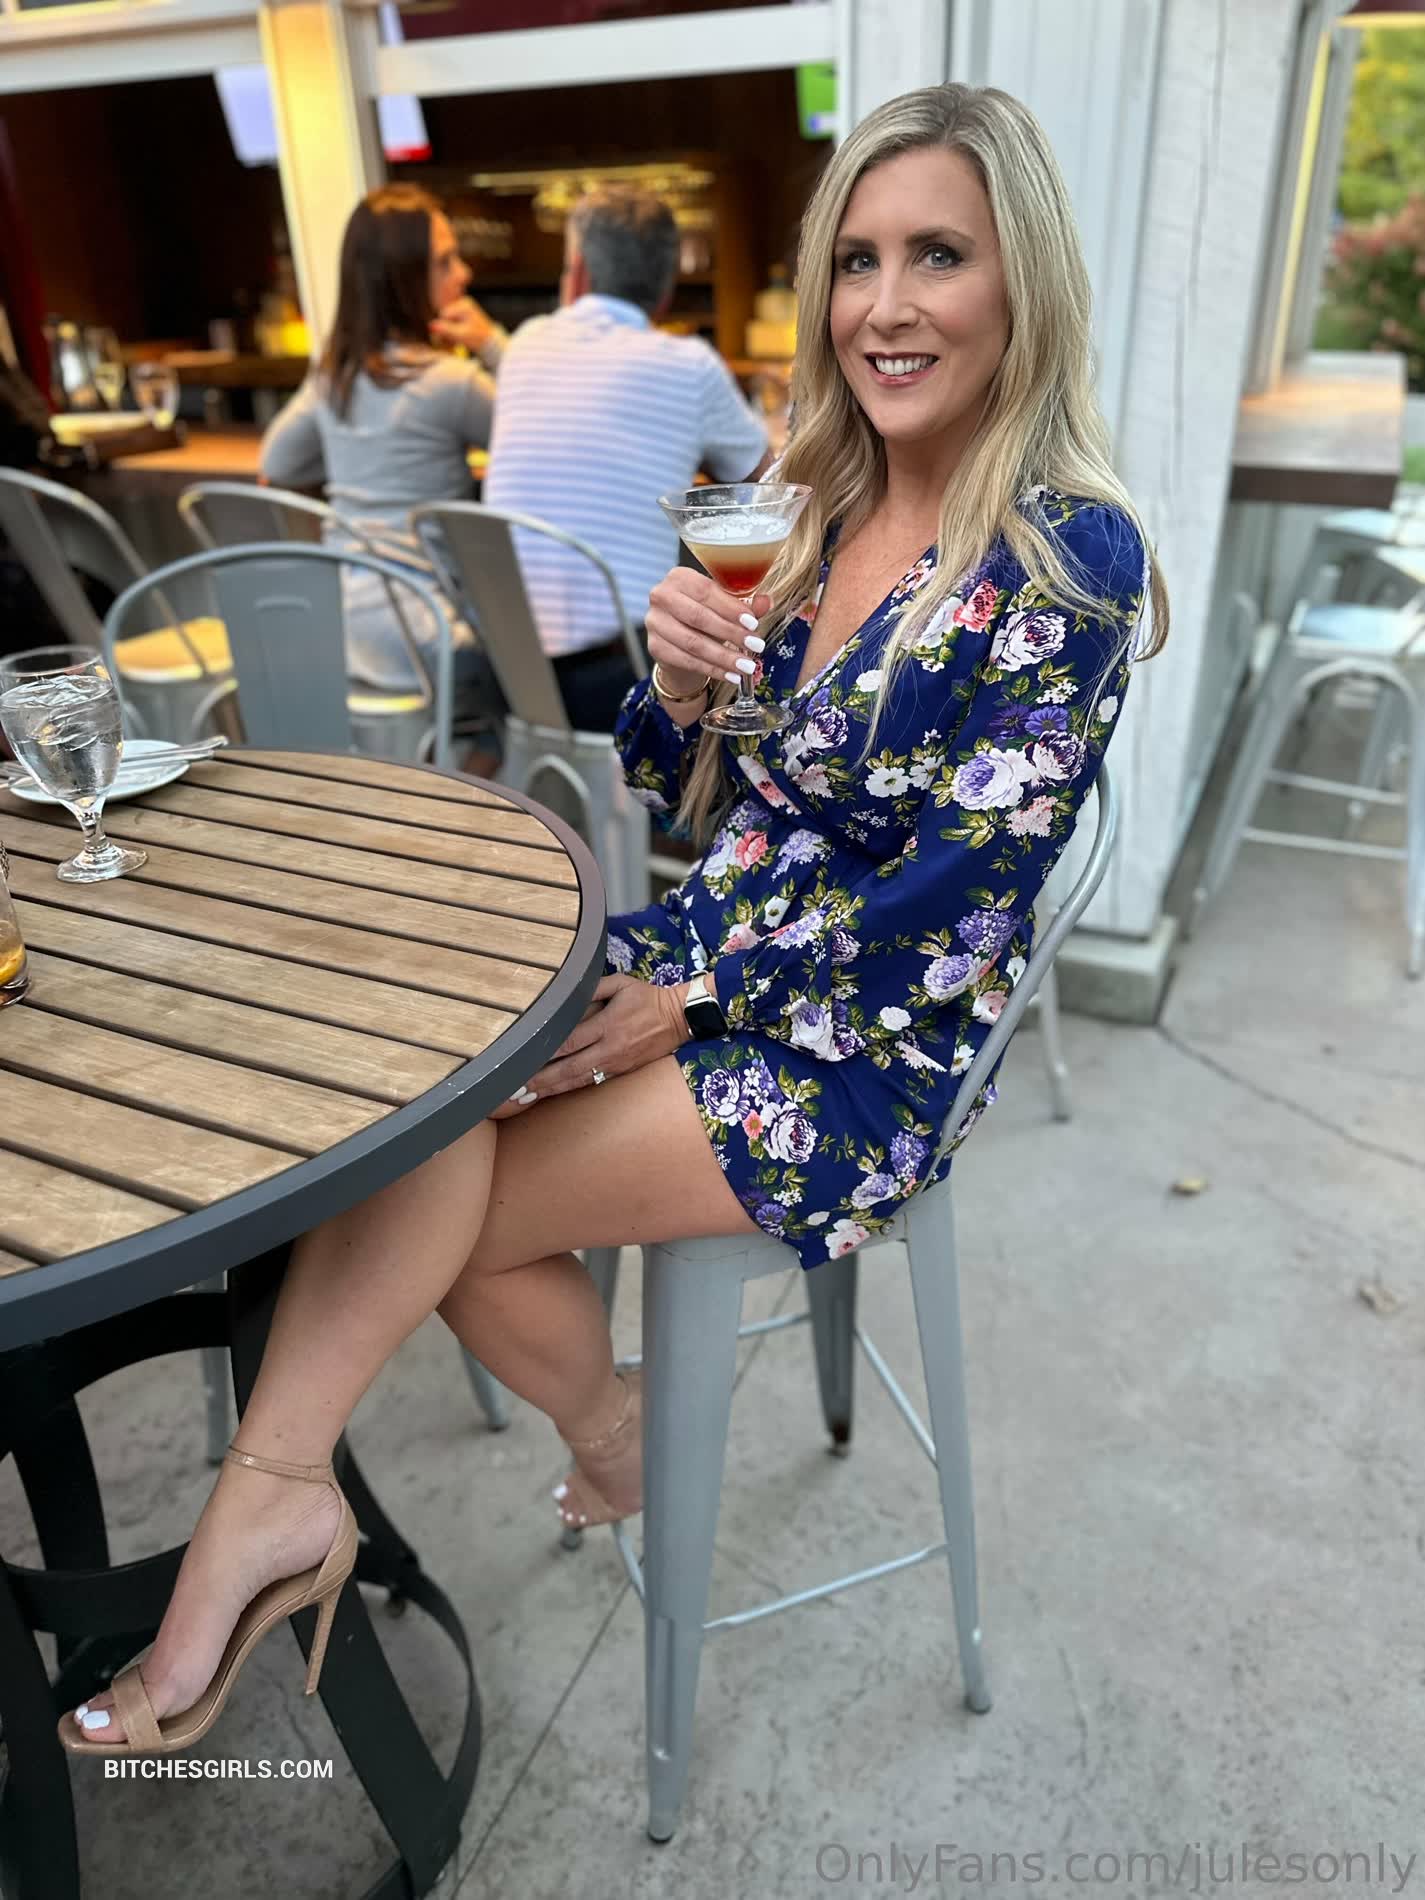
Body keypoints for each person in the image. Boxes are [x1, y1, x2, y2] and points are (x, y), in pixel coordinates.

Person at [60, 81, 1168, 1754]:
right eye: (855, 260)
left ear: (1025, 281)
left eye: (938, 254)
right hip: (722, 943)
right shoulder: (814, 496)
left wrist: (695, 1000)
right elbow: (693, 795)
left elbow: (954, 899)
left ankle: (309, 1498)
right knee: (409, 1089)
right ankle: (481, 1453)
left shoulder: (1068, 555)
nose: (883, 306)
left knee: (423, 1186)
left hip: (866, 1038)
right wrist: (678, 685)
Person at [483, 185, 771, 731]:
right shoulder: (689, 365)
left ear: (578, 272)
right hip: (623, 682)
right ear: (665, 289)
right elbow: (769, 487)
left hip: (509, 671)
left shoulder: (523, 344)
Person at [259, 184, 508, 753]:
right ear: (402, 278)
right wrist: (492, 344)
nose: (464, 274)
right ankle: (476, 788)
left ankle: (426, 781)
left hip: (342, 626)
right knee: (539, 669)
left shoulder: (335, 377)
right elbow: (546, 445)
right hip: (429, 636)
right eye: (445, 261)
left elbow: (277, 463)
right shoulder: (450, 381)